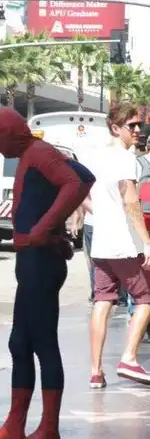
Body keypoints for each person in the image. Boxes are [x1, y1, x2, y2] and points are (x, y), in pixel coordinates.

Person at [0, 108, 95, 439]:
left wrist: (45, 228)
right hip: (34, 259)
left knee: (42, 344)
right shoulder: (35, 153)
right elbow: (82, 176)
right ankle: (16, 426)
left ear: (8, 132)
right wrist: (53, 229)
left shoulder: (39, 153)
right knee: (21, 344)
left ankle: (48, 430)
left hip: (40, 261)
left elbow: (77, 182)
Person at [88, 103, 150, 389]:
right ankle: (129, 358)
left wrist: (98, 214)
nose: (137, 130)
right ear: (115, 128)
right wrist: (146, 242)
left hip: (101, 243)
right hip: (124, 244)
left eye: (140, 125)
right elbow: (131, 202)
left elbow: (81, 192)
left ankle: (95, 371)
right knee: (145, 298)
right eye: (131, 126)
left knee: (103, 300)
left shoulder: (96, 157)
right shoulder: (125, 158)